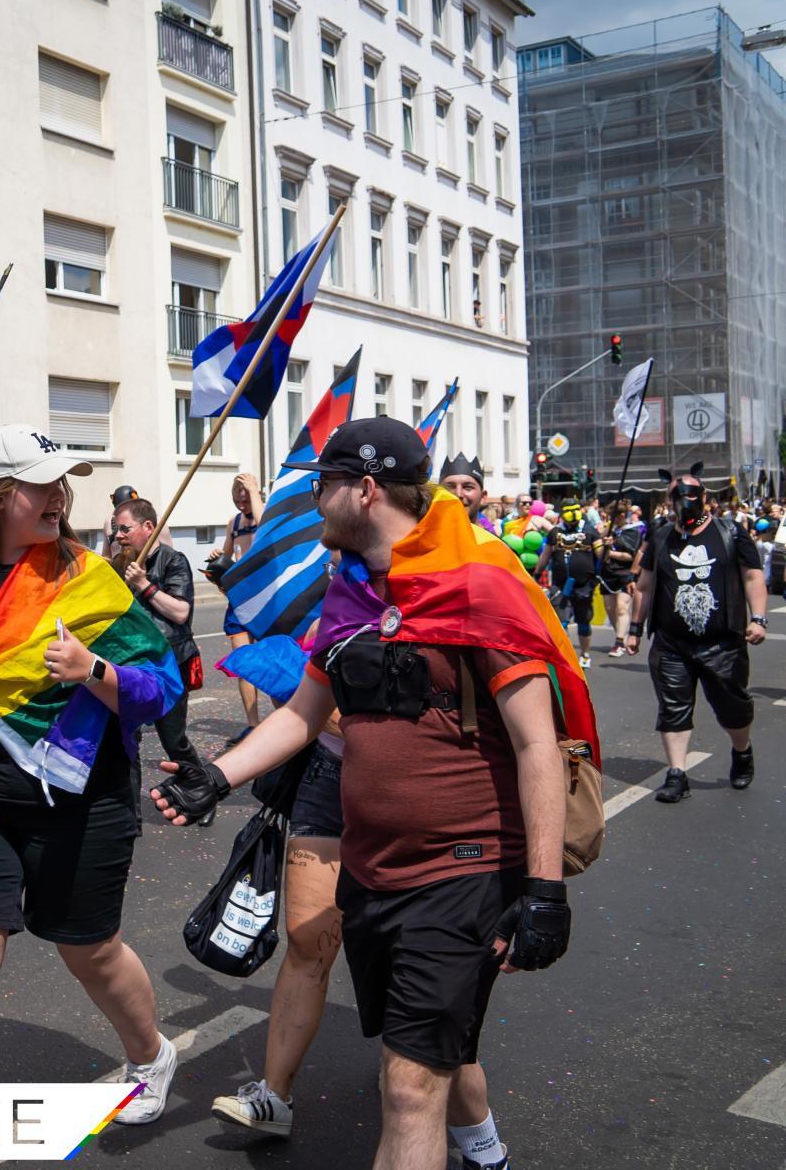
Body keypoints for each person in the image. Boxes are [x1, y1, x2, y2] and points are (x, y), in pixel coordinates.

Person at [152, 417, 595, 1170]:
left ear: (364, 490)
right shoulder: (351, 596)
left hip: (464, 869)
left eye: (323, 486)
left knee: (409, 1089)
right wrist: (215, 775)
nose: (312, 501)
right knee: (419, 1059)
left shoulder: (478, 586)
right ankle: (488, 1151)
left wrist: (545, 889)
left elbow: (535, 745)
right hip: (372, 874)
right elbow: (302, 714)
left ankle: (476, 1147)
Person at [0, 424, 186, 1169]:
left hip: (79, 794)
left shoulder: (89, 579)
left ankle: (150, 1054)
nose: (58, 498)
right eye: (40, 484)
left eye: (63, 485)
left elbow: (161, 690)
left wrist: (93, 670)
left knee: (86, 948)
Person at [210, 622, 349, 1140]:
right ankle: (274, 1096)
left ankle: (472, 1127)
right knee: (308, 942)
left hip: (414, 791)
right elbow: (303, 707)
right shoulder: (339, 603)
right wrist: (215, 778)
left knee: (405, 954)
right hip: (329, 780)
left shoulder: (459, 586)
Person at [624, 468, 765, 802]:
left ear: (705, 497)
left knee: (732, 708)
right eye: (675, 495)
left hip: (722, 643)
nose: (683, 501)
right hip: (671, 643)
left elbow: (753, 577)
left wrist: (758, 618)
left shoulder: (730, 531)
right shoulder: (659, 536)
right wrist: (633, 629)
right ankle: (677, 774)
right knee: (673, 708)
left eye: (690, 494)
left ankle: (741, 750)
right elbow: (644, 585)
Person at [112, 495, 211, 826]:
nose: (119, 536)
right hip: (134, 663)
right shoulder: (120, 564)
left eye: (124, 529)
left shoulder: (172, 560)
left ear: (148, 527)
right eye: (115, 530)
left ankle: (201, 791)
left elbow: (181, 612)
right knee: (128, 737)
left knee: (173, 740)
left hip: (170, 663)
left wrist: (143, 584)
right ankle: (132, 814)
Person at [217, 472, 266, 730]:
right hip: (240, 597)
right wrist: (218, 557)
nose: (242, 506)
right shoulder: (233, 522)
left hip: (267, 597)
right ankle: (253, 724)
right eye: (238, 501)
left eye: (246, 500)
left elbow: (266, 528)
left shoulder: (267, 513)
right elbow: (227, 555)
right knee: (244, 661)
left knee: (271, 660)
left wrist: (253, 493)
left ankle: (285, 719)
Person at [534, 501, 602, 669]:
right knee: (561, 622)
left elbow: (601, 555)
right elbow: (546, 555)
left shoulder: (590, 531)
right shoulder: (555, 532)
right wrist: (536, 574)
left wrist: (606, 546)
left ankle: (585, 654)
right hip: (560, 585)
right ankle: (564, 656)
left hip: (584, 585)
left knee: (583, 621)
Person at [601, 502, 642, 657]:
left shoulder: (633, 532)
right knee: (610, 609)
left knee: (621, 607)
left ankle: (618, 642)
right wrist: (606, 534)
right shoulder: (610, 530)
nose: (610, 520)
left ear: (622, 516)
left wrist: (611, 552)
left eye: (613, 517)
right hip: (607, 574)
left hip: (625, 574)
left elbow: (630, 556)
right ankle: (620, 635)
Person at [439, 453, 490, 529]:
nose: (458, 494)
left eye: (467, 487)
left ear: (483, 497)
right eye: (450, 487)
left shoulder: (492, 540)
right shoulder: (423, 539)